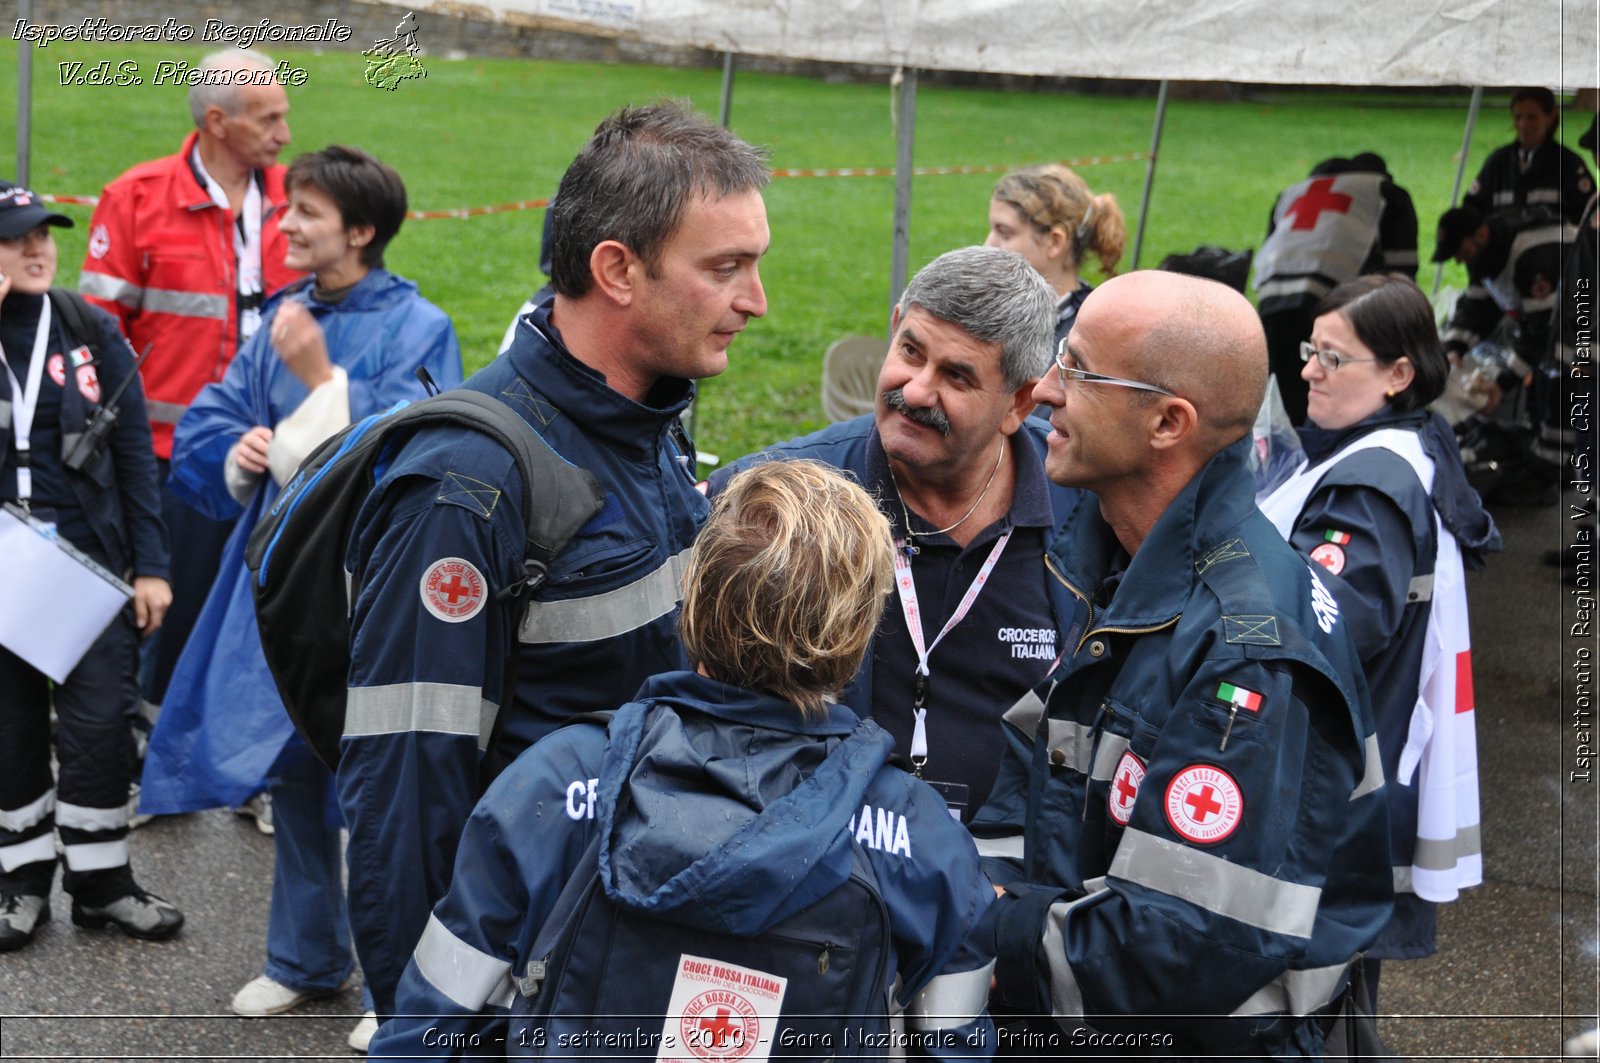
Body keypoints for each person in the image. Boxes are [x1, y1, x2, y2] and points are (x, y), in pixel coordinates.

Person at [337, 102, 771, 1018]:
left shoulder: (646, 418)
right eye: (726, 268)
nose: (755, 299)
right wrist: (437, 1026)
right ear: (616, 268)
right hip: (529, 982)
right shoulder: (466, 485)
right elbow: (404, 797)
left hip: (623, 946)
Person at [370, 460, 999, 1058]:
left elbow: (427, 1025)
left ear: (693, 599)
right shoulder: (922, 837)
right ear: (857, 634)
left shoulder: (558, 779)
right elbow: (956, 1049)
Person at [968, 270, 1394, 1057]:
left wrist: (975, 928)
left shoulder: (1249, 650)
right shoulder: (1122, 561)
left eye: (1081, 370)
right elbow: (1035, 775)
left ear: (1169, 422)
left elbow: (1180, 951)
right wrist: (971, 881)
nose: (1046, 389)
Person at [138, 147, 461, 1050]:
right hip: (278, 586)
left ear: (358, 230)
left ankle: (394, 981)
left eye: (305, 214)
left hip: (368, 591)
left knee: (375, 788)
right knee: (294, 768)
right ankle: (304, 958)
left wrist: (322, 387)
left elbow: (413, 452)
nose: (284, 226)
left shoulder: (419, 327)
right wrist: (240, 450)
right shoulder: (280, 317)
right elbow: (213, 415)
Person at [709, 245, 1083, 821]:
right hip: (825, 851)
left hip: (1014, 867)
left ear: (1019, 402)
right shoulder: (776, 501)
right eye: (910, 351)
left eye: (957, 376)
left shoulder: (1085, 508)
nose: (914, 391)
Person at [1259, 274, 1497, 1019]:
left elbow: (1328, 631)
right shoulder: (1403, 447)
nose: (1307, 371)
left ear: (1399, 374)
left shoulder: (1369, 482)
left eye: (1333, 358)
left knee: (1317, 1008)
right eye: (1309, 350)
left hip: (1333, 789)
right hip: (1361, 778)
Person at [78, 50, 302, 801]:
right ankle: (150, 760)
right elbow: (97, 337)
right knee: (168, 612)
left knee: (271, 609)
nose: (284, 130)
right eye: (269, 117)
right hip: (174, 456)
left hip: (279, 455)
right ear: (219, 122)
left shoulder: (295, 201)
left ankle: (256, 770)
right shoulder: (137, 198)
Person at [0, 181, 182, 950]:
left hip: (90, 569)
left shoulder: (89, 329)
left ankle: (104, 885)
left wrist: (150, 565)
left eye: (46, 235)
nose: (38, 249)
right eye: (18, 238)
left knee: (103, 725)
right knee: (8, 731)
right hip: (6, 575)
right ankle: (19, 882)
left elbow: (137, 458)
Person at [1254, 153, 1419, 424]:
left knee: (1284, 398)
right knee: (1329, 395)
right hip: (1329, 302)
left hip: (1271, 299)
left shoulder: (1291, 193)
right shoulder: (1385, 192)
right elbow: (1401, 277)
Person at [1435, 202, 1577, 491]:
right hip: (1551, 322)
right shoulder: (1484, 256)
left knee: (1559, 372)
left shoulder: (1530, 254)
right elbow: (1476, 307)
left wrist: (1501, 384)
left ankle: (1560, 467)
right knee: (1542, 380)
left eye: (1460, 252)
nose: (1460, 262)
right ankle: (1546, 453)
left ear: (1480, 235)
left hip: (1578, 316)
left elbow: (1542, 332)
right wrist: (1454, 349)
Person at [984, 164, 1126, 354]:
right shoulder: (985, 314)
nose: (988, 245)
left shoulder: (1089, 340)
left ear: (1054, 242)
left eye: (1004, 232)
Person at [1463, 87, 1595, 228]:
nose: (1523, 124)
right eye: (1518, 117)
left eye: (1532, 117)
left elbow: (1586, 219)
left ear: (1550, 118)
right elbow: (1472, 212)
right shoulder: (1497, 163)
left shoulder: (1569, 165)